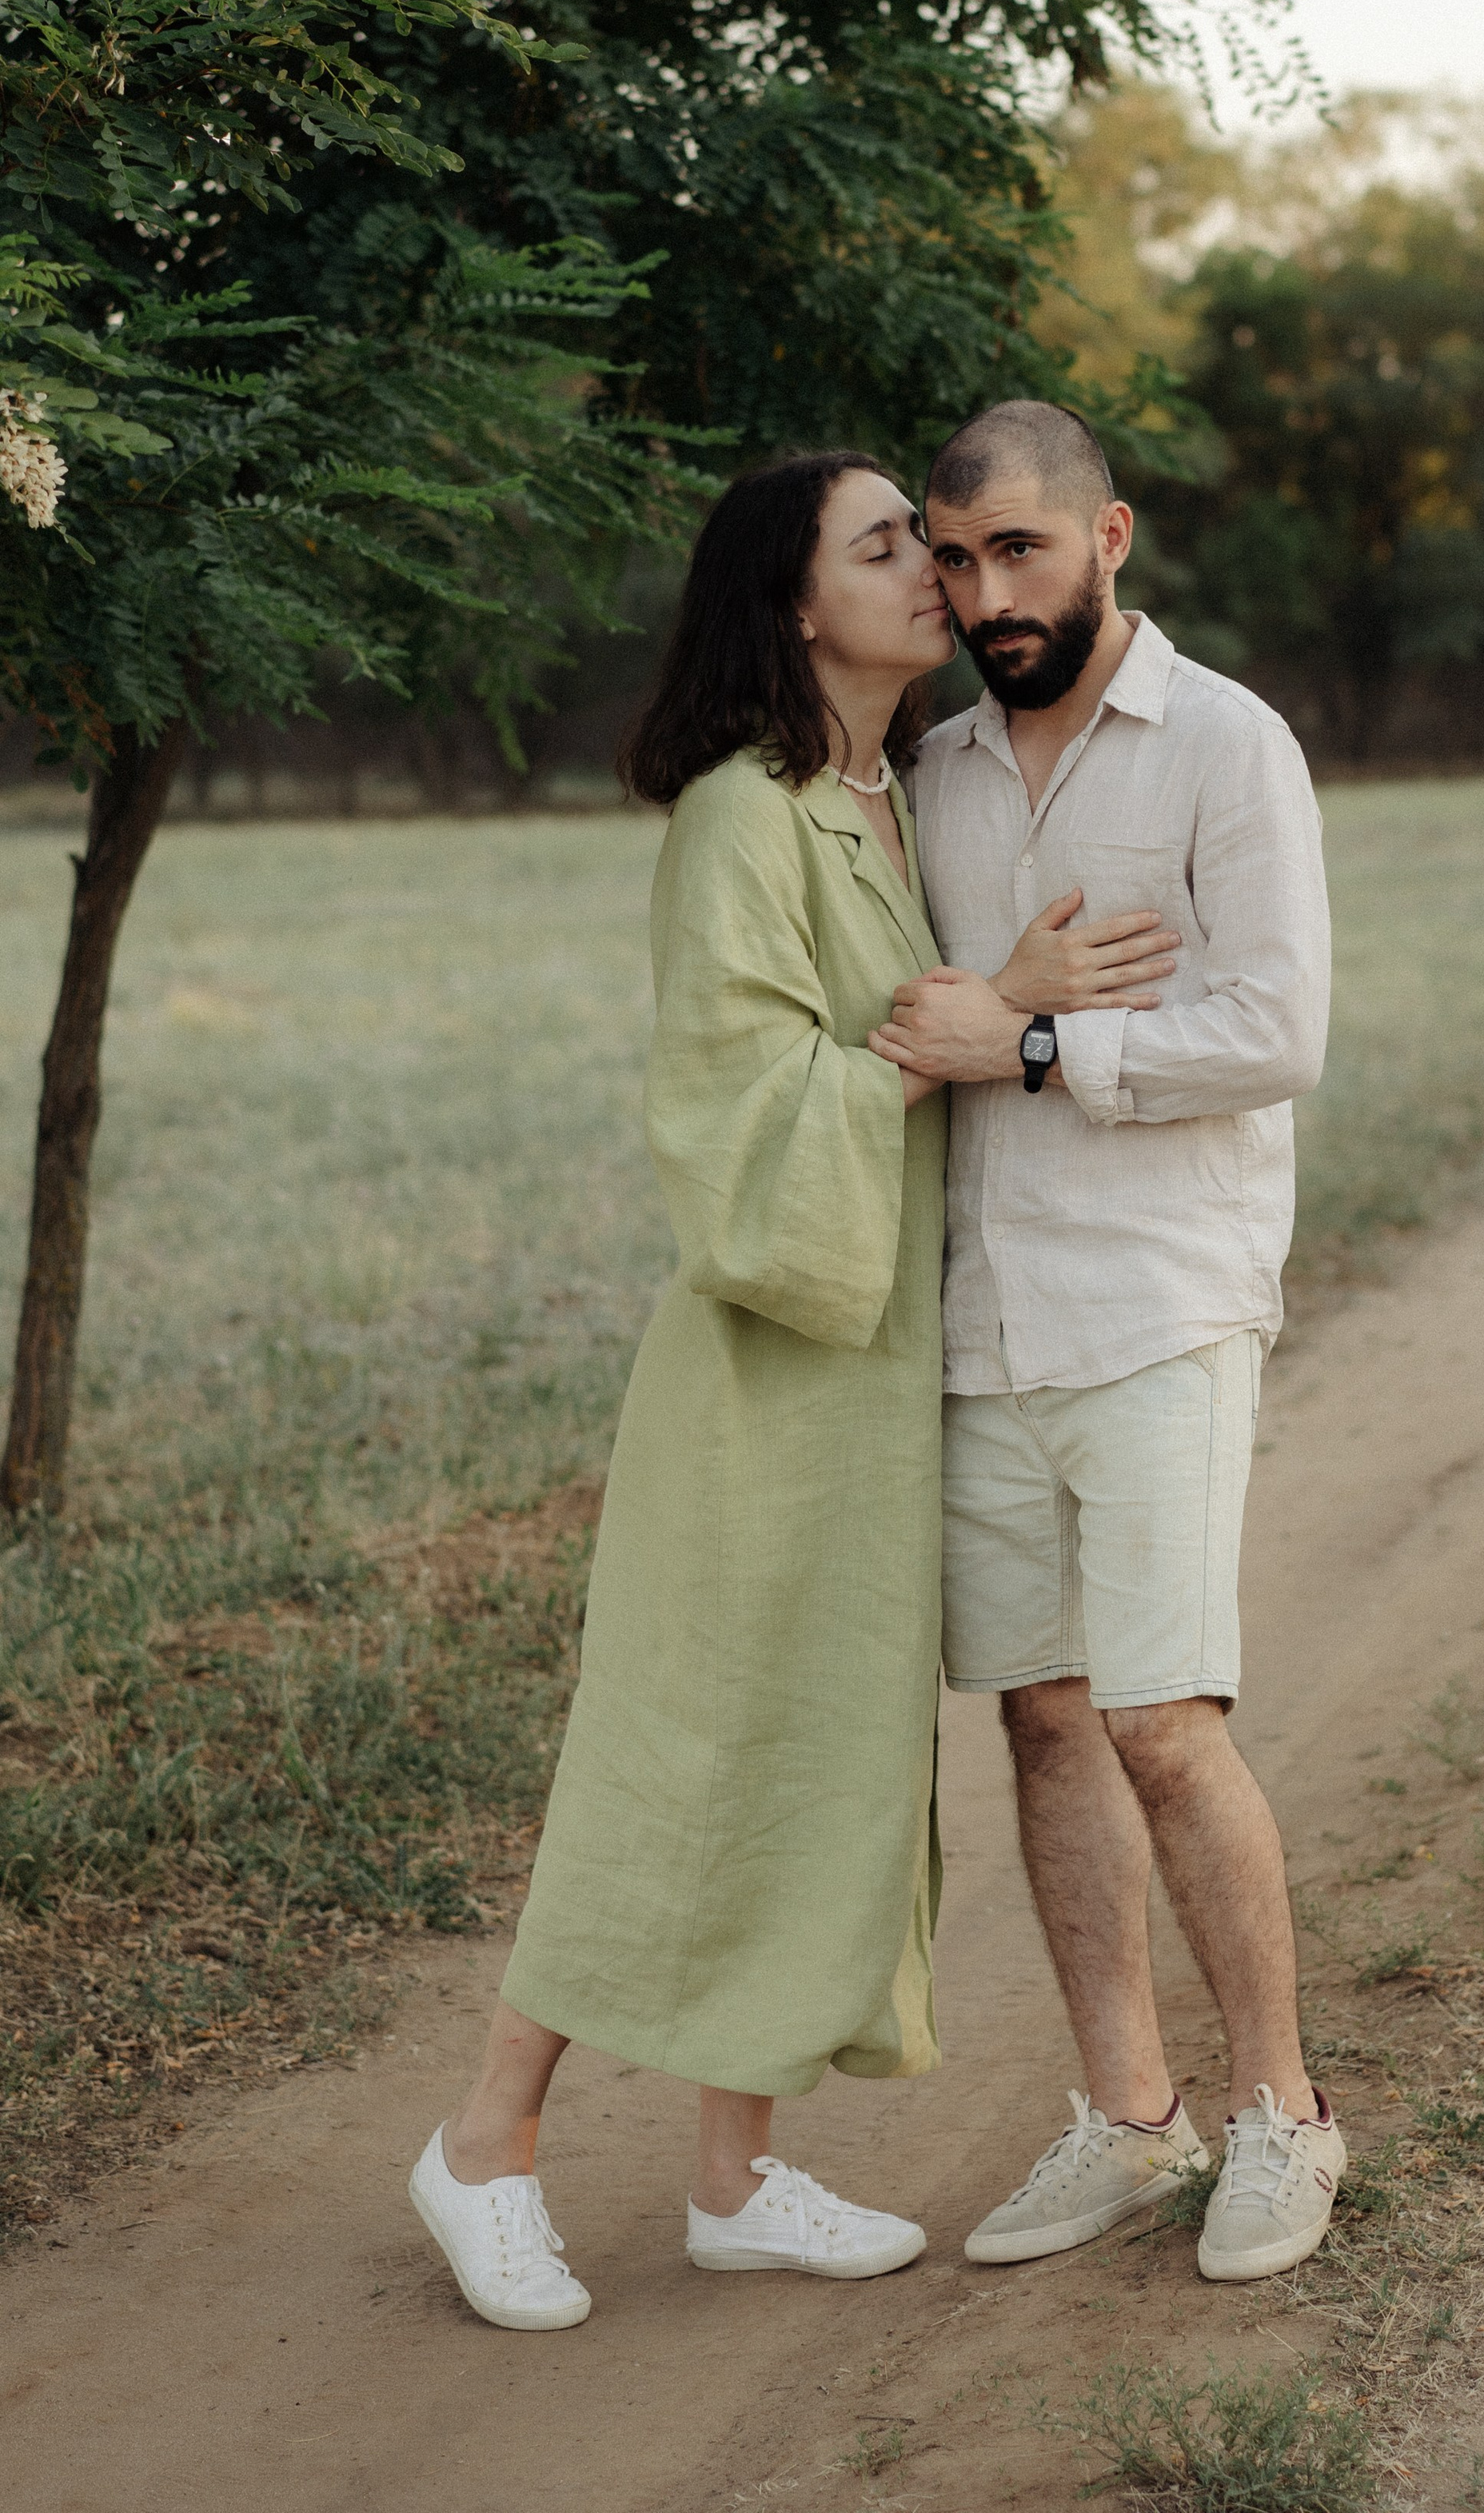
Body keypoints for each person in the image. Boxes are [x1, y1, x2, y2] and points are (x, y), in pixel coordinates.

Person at [408, 453, 1173, 2332]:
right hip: (760, 1373)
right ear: (794, 603)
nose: (936, 571)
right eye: (886, 545)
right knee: (678, 1755)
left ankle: (734, 2178)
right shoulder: (739, 818)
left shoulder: (890, 795)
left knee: (821, 1760)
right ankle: (484, 2148)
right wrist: (990, 1008)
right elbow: (735, 1121)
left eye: (935, 539)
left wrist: (988, 1013)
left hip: (877, 1371)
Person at [870, 399, 1341, 2285]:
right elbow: (923, 1019)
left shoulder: (1226, 743)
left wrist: (1045, 1044)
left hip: (1160, 1300)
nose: (987, 594)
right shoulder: (934, 769)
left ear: (1108, 537)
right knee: (1045, 1719)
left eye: (1020, 550)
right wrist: (992, 1024)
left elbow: (1276, 1031)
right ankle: (1131, 2124)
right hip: (985, 1315)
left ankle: (1285, 2118)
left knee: (1160, 1721)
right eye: (955, 558)